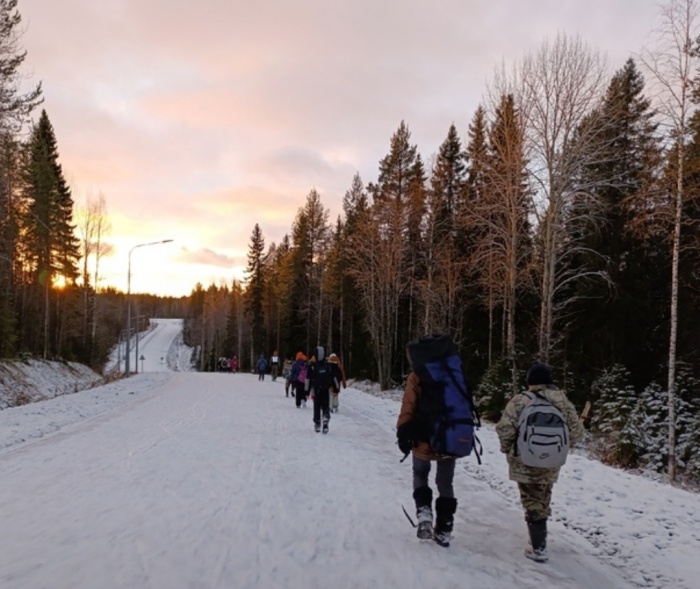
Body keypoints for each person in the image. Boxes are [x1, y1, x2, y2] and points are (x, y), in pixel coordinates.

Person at [495, 362, 584, 563]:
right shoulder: (562, 400)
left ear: (530, 382)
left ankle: (538, 547)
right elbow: (577, 433)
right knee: (543, 494)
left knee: (530, 498)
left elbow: (505, 429)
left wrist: (507, 449)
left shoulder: (520, 400)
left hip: (525, 458)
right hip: (552, 459)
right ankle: (539, 532)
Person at [396, 336, 466, 548]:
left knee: (420, 474)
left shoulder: (418, 374)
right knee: (445, 482)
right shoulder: (455, 370)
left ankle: (424, 514)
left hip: (423, 436)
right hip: (450, 436)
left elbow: (408, 405)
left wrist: (402, 431)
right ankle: (444, 529)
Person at [307, 345, 341, 434]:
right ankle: (326, 417)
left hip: (316, 390)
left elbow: (308, 379)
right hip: (326, 390)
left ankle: (317, 423)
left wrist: (306, 391)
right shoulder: (328, 366)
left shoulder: (313, 366)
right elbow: (334, 378)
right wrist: (336, 388)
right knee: (326, 406)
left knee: (317, 406)